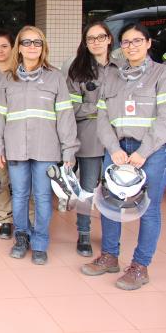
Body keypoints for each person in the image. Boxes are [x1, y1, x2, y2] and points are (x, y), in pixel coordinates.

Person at [81, 23, 166, 291]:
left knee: (148, 209)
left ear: (148, 43)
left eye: (137, 41)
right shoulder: (112, 77)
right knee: (110, 204)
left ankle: (140, 266)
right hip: (117, 149)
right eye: (126, 42)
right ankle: (109, 256)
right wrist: (114, 148)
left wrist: (143, 152)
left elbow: (164, 119)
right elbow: (103, 116)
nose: (131, 46)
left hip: (149, 151)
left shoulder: (160, 74)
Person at [0, 25, 79, 265]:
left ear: (43, 48)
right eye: (27, 42)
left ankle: (40, 242)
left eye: (37, 43)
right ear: (18, 48)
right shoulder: (8, 79)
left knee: (41, 197)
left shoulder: (55, 78)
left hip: (46, 148)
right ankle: (21, 237)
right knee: (19, 195)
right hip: (16, 148)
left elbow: (65, 116)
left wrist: (69, 149)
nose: (32, 47)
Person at [66, 22, 116, 257]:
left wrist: (98, 108)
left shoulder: (122, 68)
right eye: (90, 38)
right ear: (85, 43)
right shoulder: (78, 70)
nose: (95, 42)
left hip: (119, 140)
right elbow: (72, 107)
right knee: (86, 188)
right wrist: (101, 108)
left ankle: (111, 235)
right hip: (89, 138)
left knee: (114, 189)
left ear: (109, 39)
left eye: (100, 37)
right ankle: (84, 233)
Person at [0, 29, 29, 240]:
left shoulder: (25, 72)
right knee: (0, 180)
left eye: (4, 46)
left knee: (22, 181)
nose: (0, 51)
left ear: (13, 48)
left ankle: (26, 218)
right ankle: (4, 219)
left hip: (22, 137)